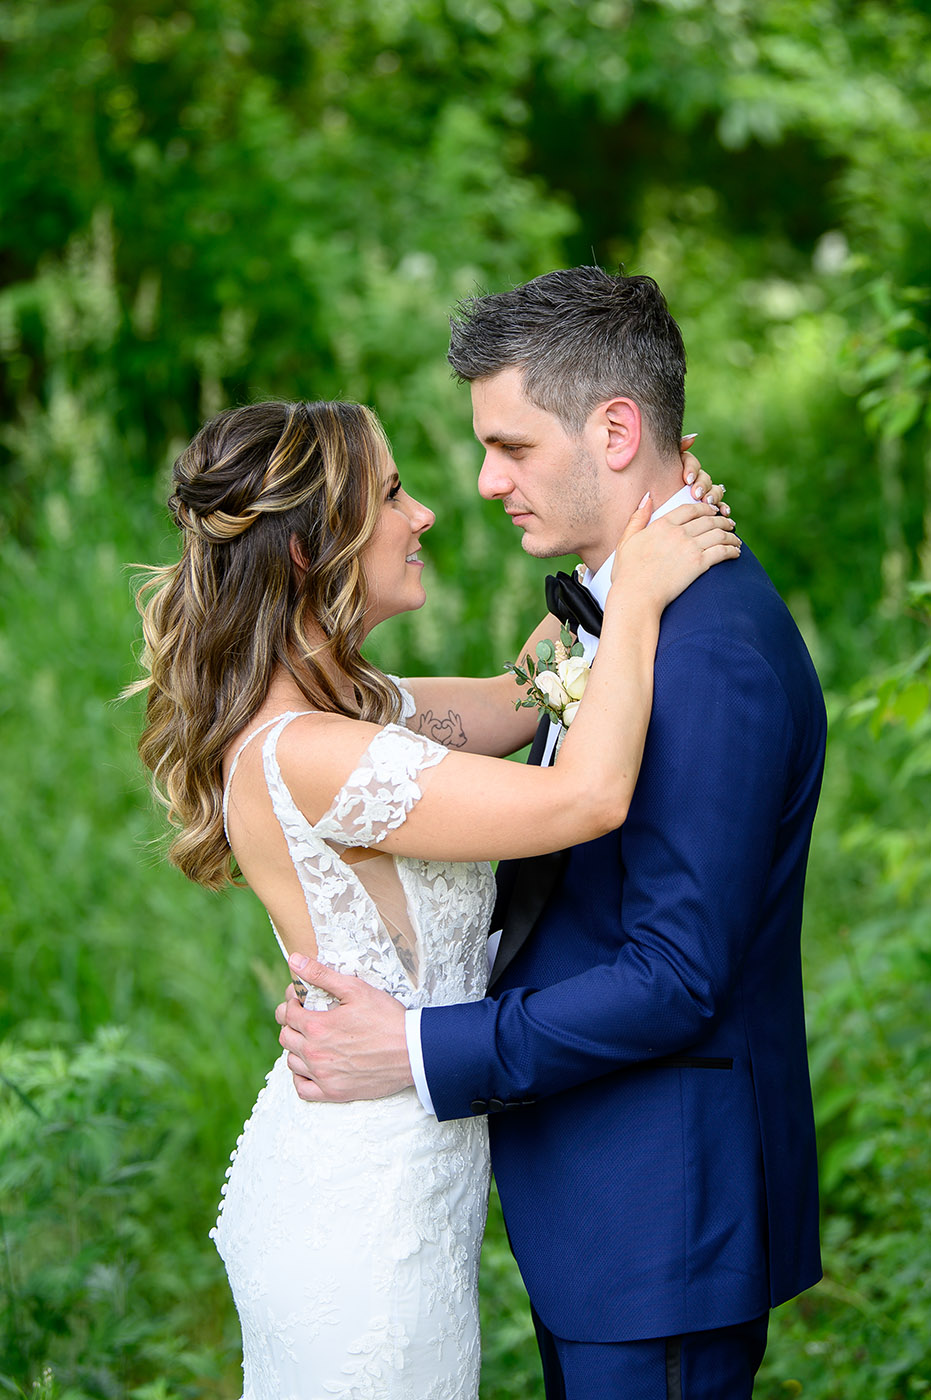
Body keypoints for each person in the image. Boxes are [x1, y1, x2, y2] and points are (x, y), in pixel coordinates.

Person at [276, 269, 827, 1400]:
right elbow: (509, 705)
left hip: (660, 1219)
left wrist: (421, 1050)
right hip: (594, 1203)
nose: (484, 482)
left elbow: (676, 975)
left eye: (512, 446)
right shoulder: (614, 616)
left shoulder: (709, 650)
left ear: (615, 431)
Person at [130, 394, 737, 1400]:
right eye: (392, 495)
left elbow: (521, 694)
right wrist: (636, 601)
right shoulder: (312, 752)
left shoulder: (356, 710)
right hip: (365, 1214)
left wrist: (627, 536)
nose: (424, 515)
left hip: (402, 1171)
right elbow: (586, 797)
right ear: (309, 550)